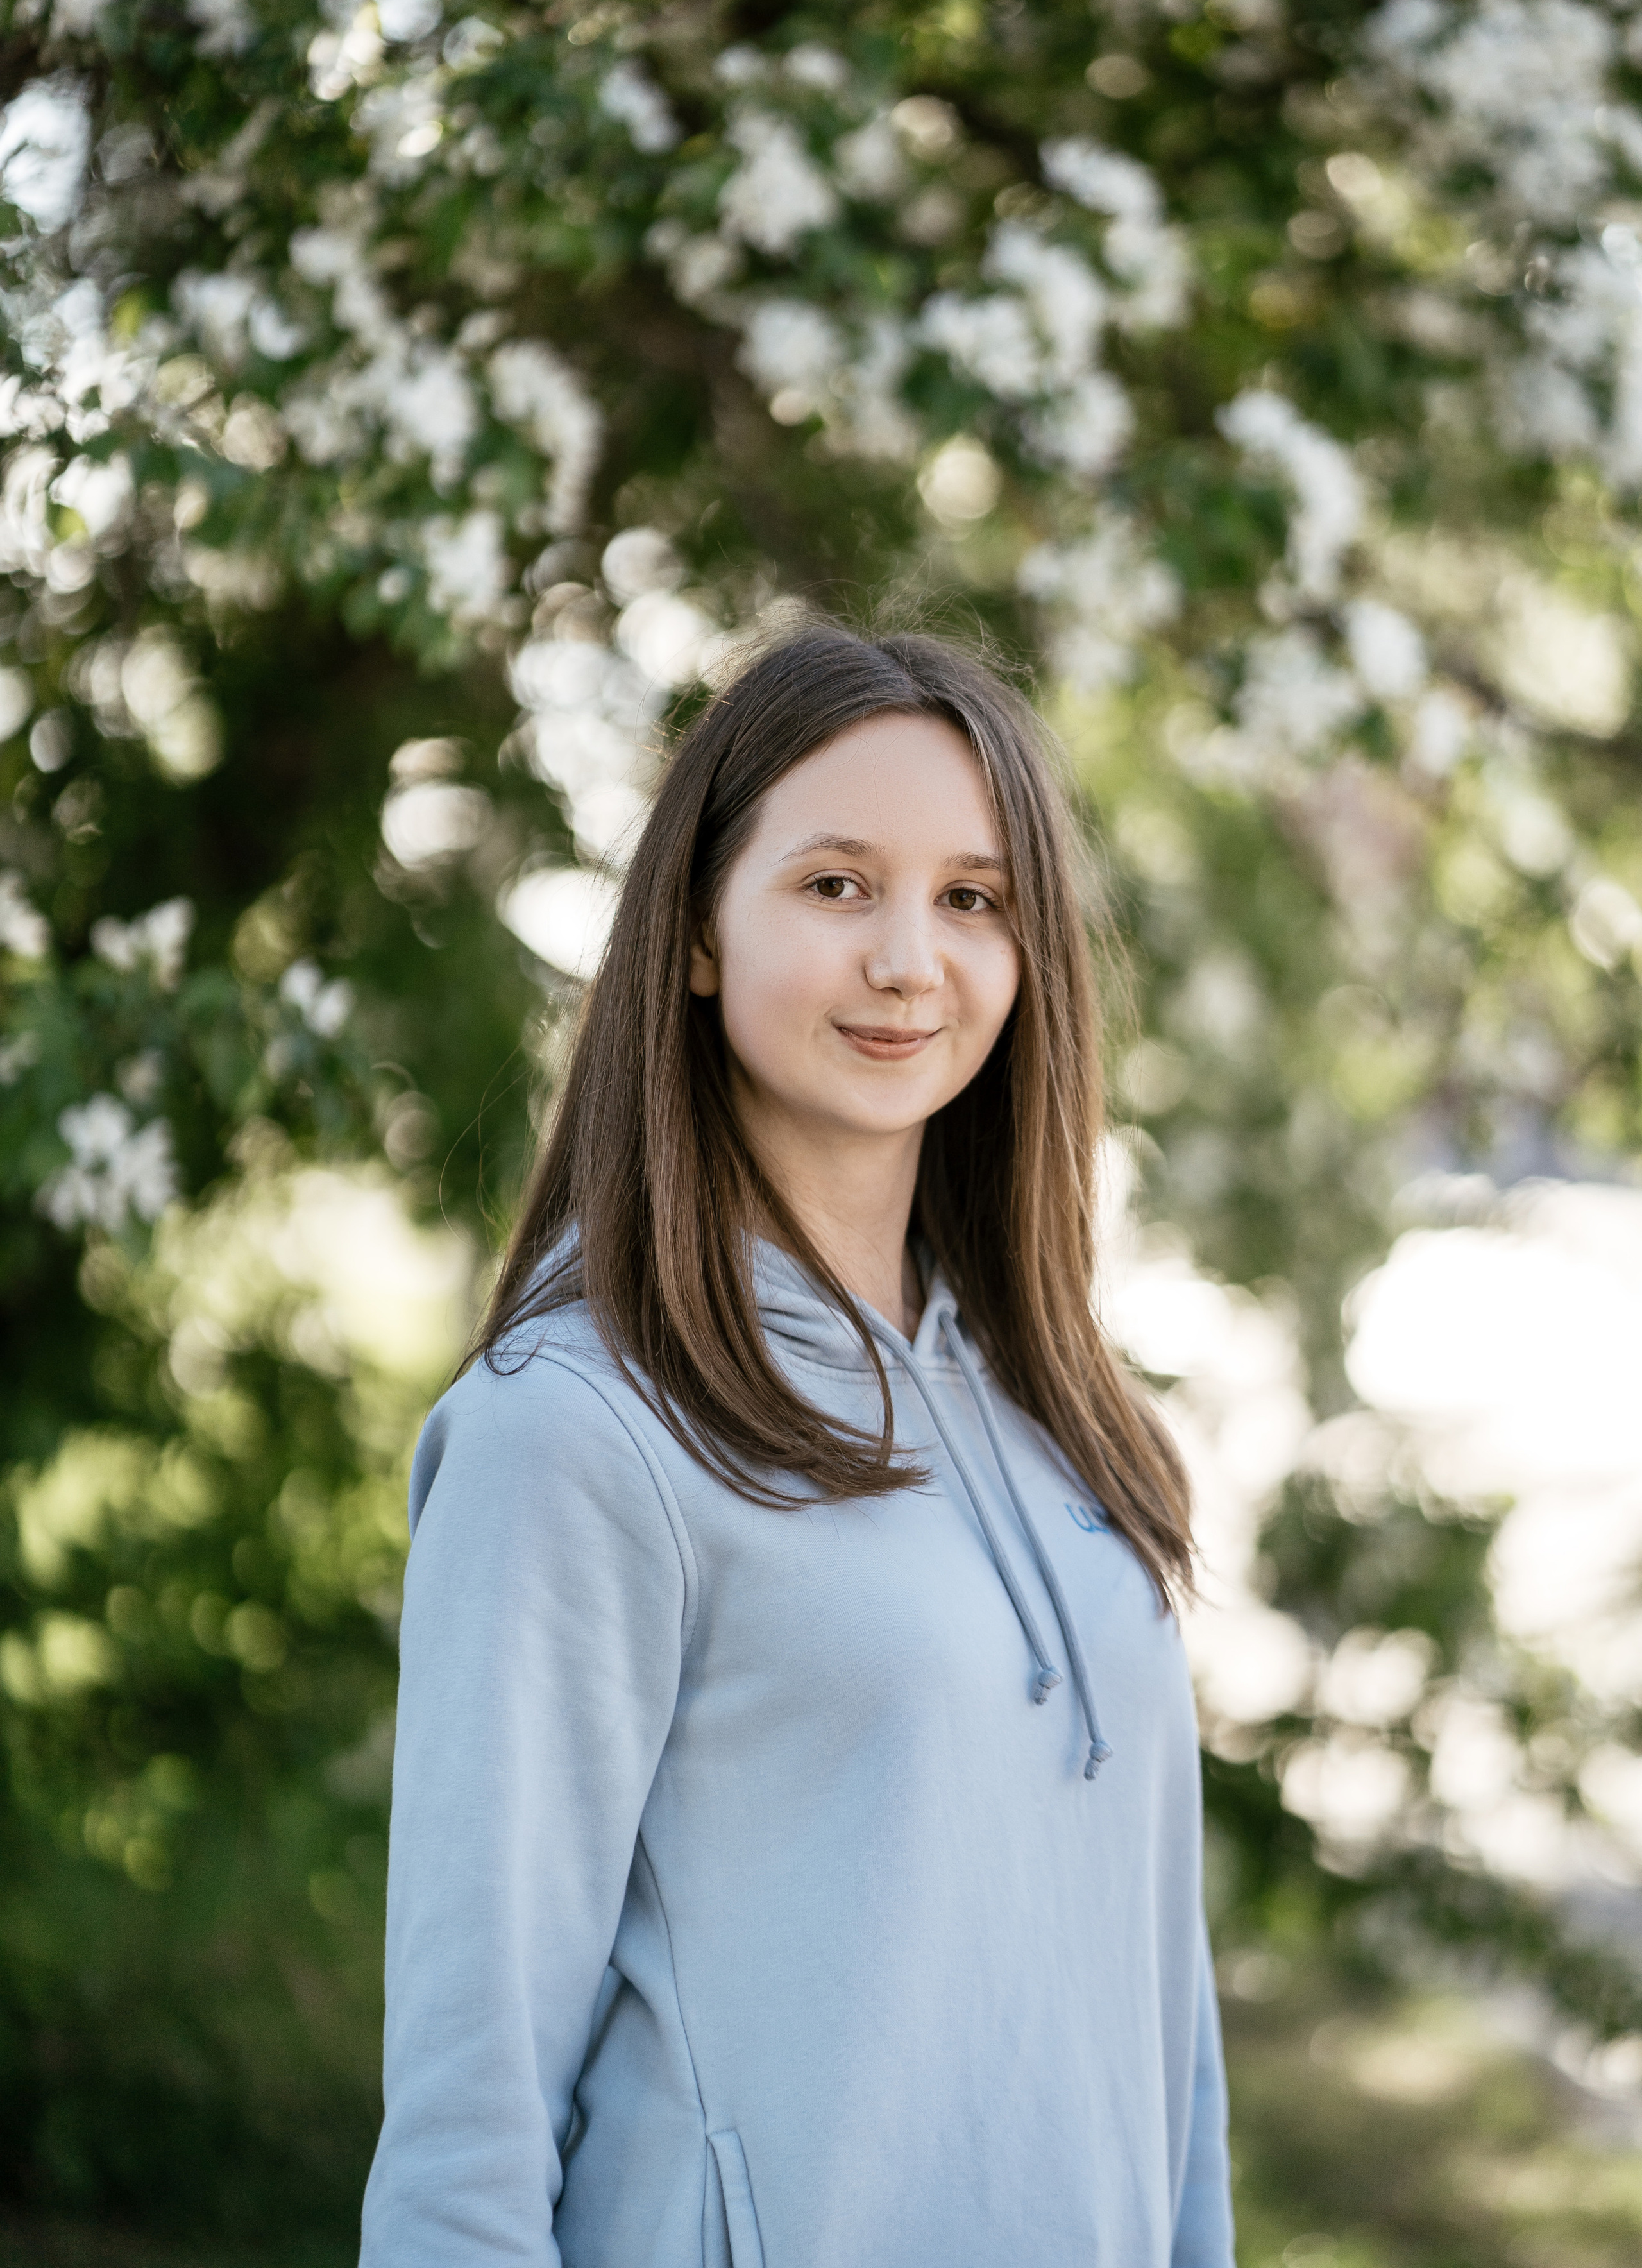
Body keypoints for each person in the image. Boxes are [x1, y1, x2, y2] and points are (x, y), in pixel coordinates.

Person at [359, 622, 1235, 2268]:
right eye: (836, 886)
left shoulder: (1050, 1407)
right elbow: (465, 2125)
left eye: (973, 899)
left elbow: (1158, 2024)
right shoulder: (576, 1433)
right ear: (697, 931)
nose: (910, 958)